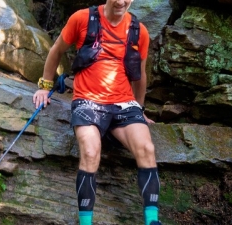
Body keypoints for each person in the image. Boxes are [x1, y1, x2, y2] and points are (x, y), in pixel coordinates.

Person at [33, 0, 161, 224]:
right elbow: (56, 50)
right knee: (91, 152)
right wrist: (44, 87)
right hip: (88, 101)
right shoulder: (82, 18)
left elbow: (140, 75)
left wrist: (139, 109)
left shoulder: (139, 31)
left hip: (124, 104)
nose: (121, 2)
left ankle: (152, 219)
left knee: (147, 148)